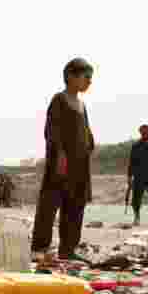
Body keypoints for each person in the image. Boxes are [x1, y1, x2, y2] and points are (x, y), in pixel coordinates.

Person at [30, 58, 95, 263]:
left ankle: (68, 248)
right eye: (86, 77)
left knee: (76, 205)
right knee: (50, 205)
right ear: (70, 76)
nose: (89, 82)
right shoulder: (59, 100)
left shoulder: (82, 105)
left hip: (80, 165)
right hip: (61, 163)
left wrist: (90, 145)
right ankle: (39, 247)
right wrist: (60, 155)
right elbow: (52, 131)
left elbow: (87, 132)